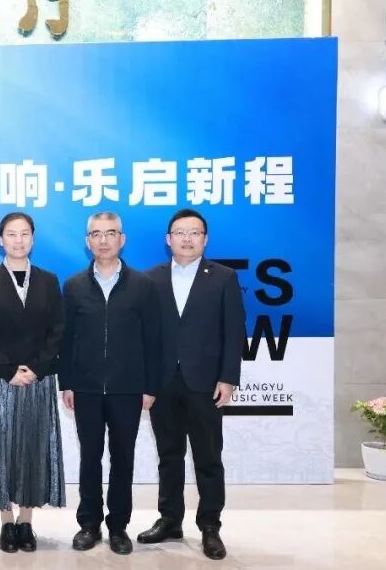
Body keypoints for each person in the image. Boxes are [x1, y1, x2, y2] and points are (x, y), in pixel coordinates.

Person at [137, 208, 245, 561]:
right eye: (180, 233)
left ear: (205, 239)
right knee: (169, 455)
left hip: (206, 383)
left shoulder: (224, 277)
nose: (187, 239)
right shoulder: (149, 279)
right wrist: (145, 382)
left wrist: (228, 377)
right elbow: (143, 336)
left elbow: (234, 331)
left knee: (208, 457)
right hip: (163, 383)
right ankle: (170, 520)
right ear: (168, 239)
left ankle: (210, 526)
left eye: (194, 232)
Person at [59, 211, 161, 556]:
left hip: (127, 388)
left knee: (122, 458)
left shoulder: (143, 286)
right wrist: (67, 383)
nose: (103, 240)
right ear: (87, 242)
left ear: (122, 239)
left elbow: (153, 340)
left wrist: (150, 386)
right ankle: (89, 524)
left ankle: (118, 527)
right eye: (96, 234)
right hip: (86, 388)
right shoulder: (74, 285)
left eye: (111, 233)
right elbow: (66, 340)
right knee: (89, 457)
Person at [0, 212, 66, 554]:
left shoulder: (48, 280)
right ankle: (6, 522)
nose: (18, 240)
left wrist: (36, 368)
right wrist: (9, 369)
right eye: (11, 234)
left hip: (38, 379)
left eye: (24, 234)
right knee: (1, 448)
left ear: (33, 239)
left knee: (33, 447)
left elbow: (57, 329)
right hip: (1, 378)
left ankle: (26, 521)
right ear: (1, 239)